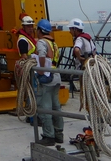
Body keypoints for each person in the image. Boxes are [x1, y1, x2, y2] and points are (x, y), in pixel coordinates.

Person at [35, 18, 64, 147]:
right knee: (56, 107)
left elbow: (41, 55)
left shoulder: (42, 42)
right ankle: (59, 134)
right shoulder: (53, 43)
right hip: (56, 76)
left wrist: (40, 71)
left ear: (40, 30)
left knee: (44, 107)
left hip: (47, 78)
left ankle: (48, 136)